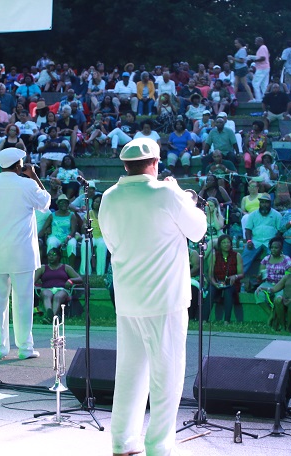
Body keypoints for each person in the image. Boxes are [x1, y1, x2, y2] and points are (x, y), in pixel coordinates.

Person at [99, 138, 206, 456]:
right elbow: (198, 229)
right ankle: (158, 446)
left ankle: (123, 441)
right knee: (167, 375)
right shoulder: (166, 193)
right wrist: (183, 196)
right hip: (165, 301)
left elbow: (112, 243)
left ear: (125, 165)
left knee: (129, 373)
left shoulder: (109, 197)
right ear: (156, 163)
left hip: (129, 299)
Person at [0, 148, 50, 360]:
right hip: (22, 254)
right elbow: (45, 203)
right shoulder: (28, 183)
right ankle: (25, 348)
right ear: (18, 165)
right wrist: (34, 176)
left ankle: (0, 348)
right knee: (23, 301)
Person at [34, 247, 83, 323]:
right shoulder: (43, 268)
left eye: (54, 254)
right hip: (47, 288)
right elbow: (33, 280)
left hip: (62, 289)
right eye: (49, 255)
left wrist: (71, 280)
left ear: (59, 256)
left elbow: (80, 279)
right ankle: (51, 316)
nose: (51, 257)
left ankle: (49, 317)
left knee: (58, 296)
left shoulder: (66, 267)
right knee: (46, 295)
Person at [207, 234, 243, 323]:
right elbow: (210, 274)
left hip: (232, 283)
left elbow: (241, 274)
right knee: (211, 291)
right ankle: (204, 319)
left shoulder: (236, 255)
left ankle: (227, 320)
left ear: (231, 244)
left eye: (228, 242)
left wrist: (235, 276)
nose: (226, 244)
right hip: (217, 281)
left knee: (228, 291)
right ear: (219, 245)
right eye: (223, 242)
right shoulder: (215, 255)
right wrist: (214, 283)